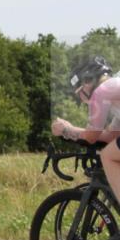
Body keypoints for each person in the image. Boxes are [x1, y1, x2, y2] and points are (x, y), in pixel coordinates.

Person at [51, 56, 120, 227]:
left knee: (108, 156)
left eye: (79, 92)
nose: (81, 99)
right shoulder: (114, 91)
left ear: (88, 82)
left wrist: (67, 129)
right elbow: (110, 136)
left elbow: (91, 136)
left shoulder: (101, 92)